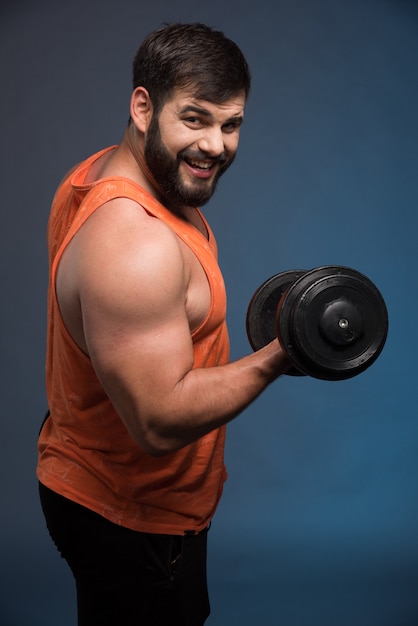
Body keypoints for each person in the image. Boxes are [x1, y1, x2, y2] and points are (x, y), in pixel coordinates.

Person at [37, 22, 290, 626]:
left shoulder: (100, 171)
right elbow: (157, 420)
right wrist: (285, 353)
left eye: (232, 125)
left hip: (106, 488)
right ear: (143, 107)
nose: (216, 145)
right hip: (129, 515)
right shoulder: (132, 243)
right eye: (196, 119)